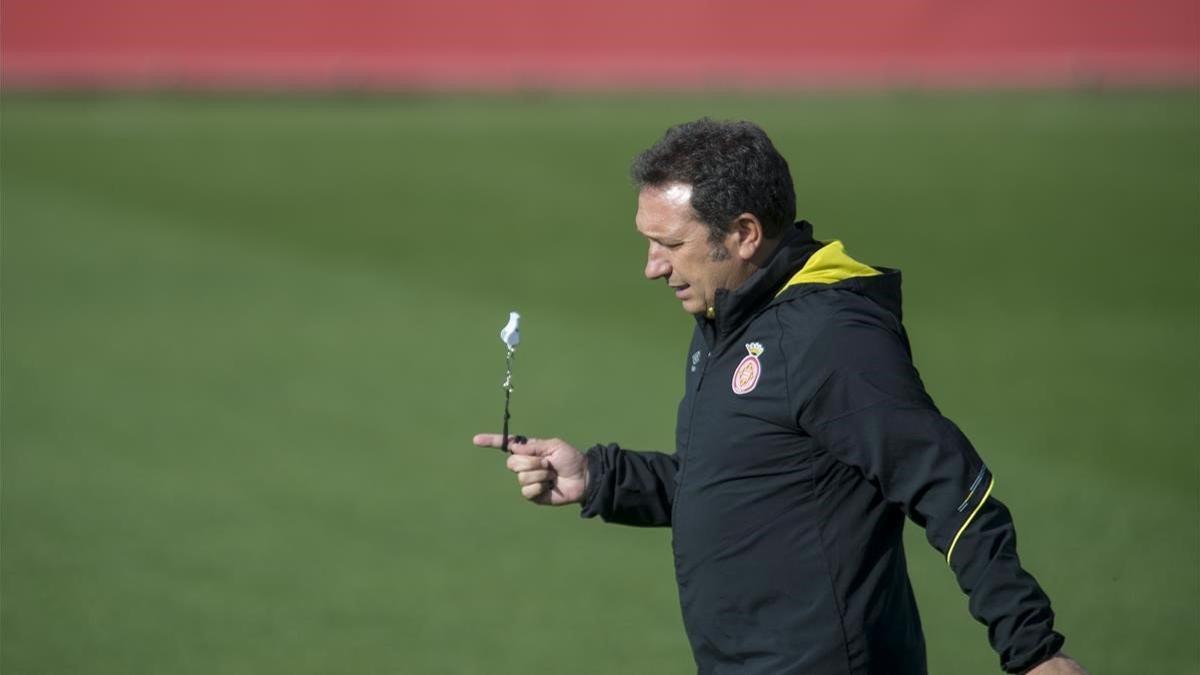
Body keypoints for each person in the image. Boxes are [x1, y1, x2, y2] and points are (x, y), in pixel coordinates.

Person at [472, 119, 1087, 675]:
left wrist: (1033, 651)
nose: (652, 267)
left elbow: (947, 483)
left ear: (743, 234)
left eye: (671, 244)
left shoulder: (829, 337)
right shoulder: (730, 321)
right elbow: (746, 478)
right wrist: (601, 478)